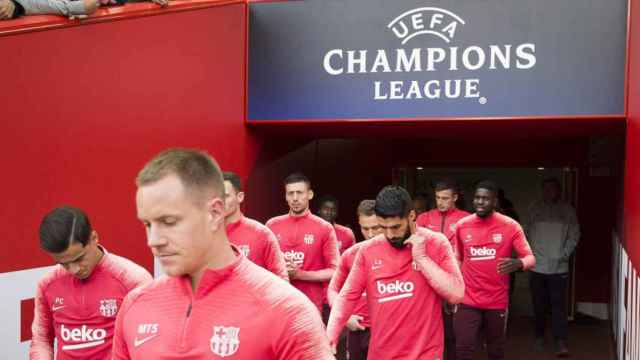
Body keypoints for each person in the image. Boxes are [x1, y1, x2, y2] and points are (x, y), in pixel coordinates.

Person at [112, 148, 332, 359]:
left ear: (215, 212)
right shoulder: (136, 304)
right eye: (148, 224)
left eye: (169, 222)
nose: (154, 241)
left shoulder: (286, 311)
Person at [327, 186, 464, 359]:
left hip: (425, 354)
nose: (390, 234)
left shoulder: (436, 243)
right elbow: (347, 296)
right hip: (381, 354)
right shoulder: (368, 251)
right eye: (383, 227)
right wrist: (331, 334)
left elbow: (457, 294)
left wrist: (422, 259)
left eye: (396, 227)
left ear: (412, 216)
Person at [29, 206, 152, 360]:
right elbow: (41, 340)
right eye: (64, 264)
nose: (74, 269)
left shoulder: (133, 279)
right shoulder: (47, 284)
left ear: (94, 238)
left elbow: (147, 342)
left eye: (79, 258)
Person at [452, 181, 536, 360]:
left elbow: (531, 259)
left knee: (495, 351)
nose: (480, 202)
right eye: (477, 198)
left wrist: (519, 263)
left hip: (496, 301)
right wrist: (453, 288)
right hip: (467, 299)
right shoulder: (462, 225)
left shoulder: (510, 226)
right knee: (463, 349)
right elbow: (457, 258)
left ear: (495, 201)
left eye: (485, 198)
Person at [266, 173, 340, 313]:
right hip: (279, 304)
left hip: (311, 306)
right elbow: (263, 267)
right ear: (286, 196)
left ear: (310, 194)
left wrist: (300, 274)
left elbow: (335, 271)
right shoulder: (272, 225)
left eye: (299, 193)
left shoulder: (324, 228)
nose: (295, 198)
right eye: (290, 193)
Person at [524, 177, 580, 357]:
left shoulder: (567, 210)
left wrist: (564, 255)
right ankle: (539, 336)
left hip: (559, 268)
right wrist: (529, 255)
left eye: (552, 189)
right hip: (536, 267)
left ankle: (560, 341)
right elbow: (523, 233)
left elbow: (575, 234)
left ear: (558, 191)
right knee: (538, 305)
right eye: (546, 189)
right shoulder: (534, 208)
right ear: (542, 191)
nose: (549, 192)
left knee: (558, 307)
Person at [416, 179, 470, 360]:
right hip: (426, 282)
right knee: (425, 330)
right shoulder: (424, 218)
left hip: (452, 281)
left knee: (452, 332)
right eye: (438, 198)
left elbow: (466, 253)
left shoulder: (465, 219)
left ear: (455, 197)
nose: (441, 202)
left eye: (445, 198)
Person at [327, 199, 383, 360]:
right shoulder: (350, 255)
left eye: (375, 228)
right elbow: (332, 290)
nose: (370, 234)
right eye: (365, 228)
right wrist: (345, 317)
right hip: (357, 330)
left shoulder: (398, 253)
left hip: (387, 332)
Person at [223, 171, 288, 281]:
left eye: (225, 196)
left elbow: (282, 281)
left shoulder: (261, 234)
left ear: (240, 197)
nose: (220, 201)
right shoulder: (208, 235)